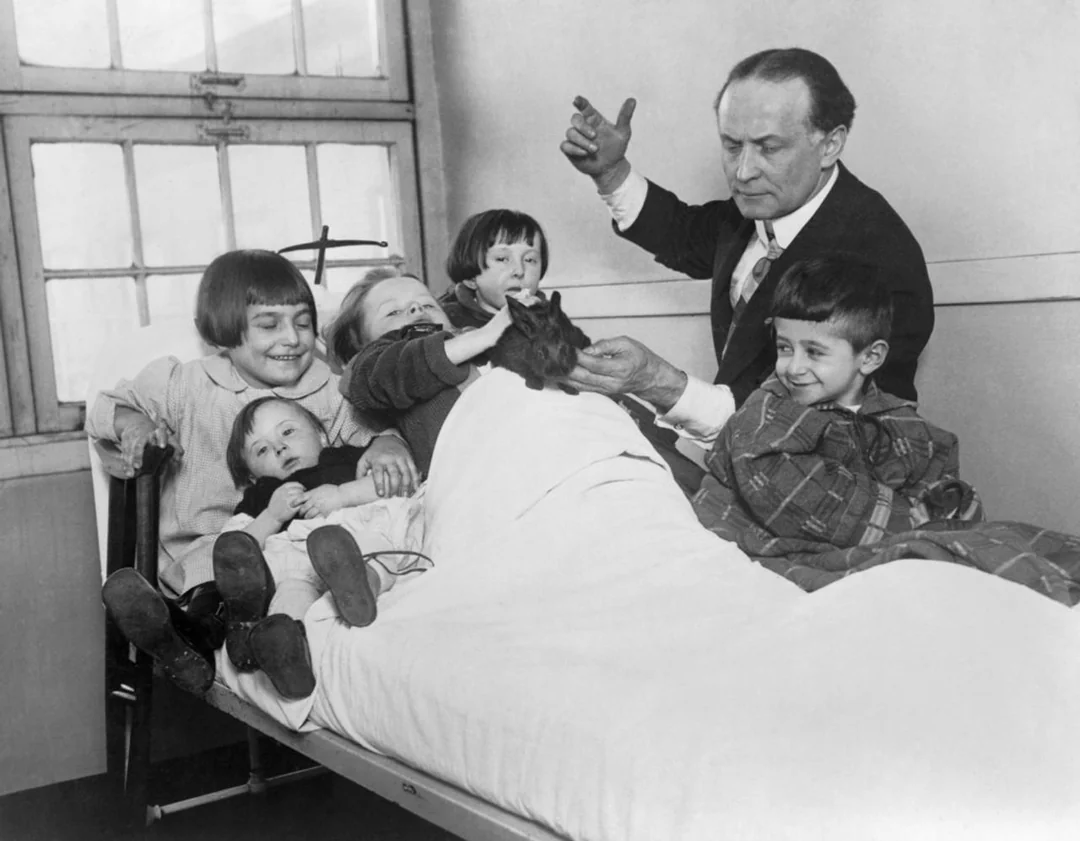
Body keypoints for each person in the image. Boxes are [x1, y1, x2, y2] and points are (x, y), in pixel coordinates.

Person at [559, 47, 934, 457]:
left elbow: (831, 435)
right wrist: (611, 172)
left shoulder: (882, 261)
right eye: (732, 145)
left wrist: (660, 383)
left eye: (768, 148)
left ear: (830, 145)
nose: (743, 172)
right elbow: (684, 234)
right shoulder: (763, 205)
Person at [93, 249, 417, 689]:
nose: (292, 338)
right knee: (216, 577)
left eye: (303, 323)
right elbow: (106, 409)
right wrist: (136, 426)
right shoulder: (184, 384)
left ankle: (212, 636)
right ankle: (181, 637)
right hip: (206, 550)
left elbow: (373, 429)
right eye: (269, 325)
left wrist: (387, 442)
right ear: (223, 331)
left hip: (288, 543)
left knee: (287, 576)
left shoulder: (328, 390)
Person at [692, 255, 1080, 605]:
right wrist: (921, 526)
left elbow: (934, 466)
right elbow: (800, 505)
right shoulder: (765, 417)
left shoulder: (897, 419)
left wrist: (944, 507)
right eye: (784, 347)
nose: (793, 367)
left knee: (1016, 539)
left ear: (870, 357)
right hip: (782, 547)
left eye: (814, 352)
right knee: (948, 556)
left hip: (881, 533)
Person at [327, 266, 531, 478]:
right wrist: (487, 334)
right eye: (393, 312)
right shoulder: (371, 365)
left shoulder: (473, 338)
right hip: (480, 478)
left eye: (428, 305)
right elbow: (396, 369)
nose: (417, 309)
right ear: (359, 343)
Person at [437, 208, 548, 330]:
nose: (519, 271)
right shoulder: (445, 323)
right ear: (471, 279)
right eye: (502, 259)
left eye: (529, 260)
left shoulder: (552, 322)